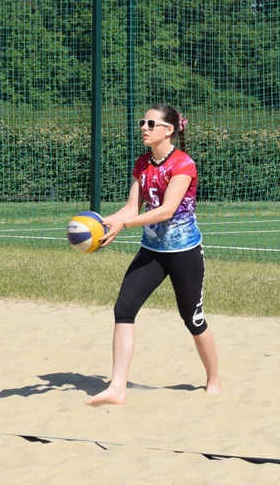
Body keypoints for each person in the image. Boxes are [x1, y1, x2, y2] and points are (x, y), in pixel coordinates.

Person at [86, 104, 221, 406]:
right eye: (142, 122)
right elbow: (131, 209)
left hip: (184, 253)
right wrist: (100, 224)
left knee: (193, 319)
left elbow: (166, 211)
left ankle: (213, 380)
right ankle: (117, 387)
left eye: (150, 123)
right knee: (124, 309)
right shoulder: (142, 163)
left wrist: (125, 224)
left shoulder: (184, 164)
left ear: (169, 130)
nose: (143, 127)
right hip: (152, 251)